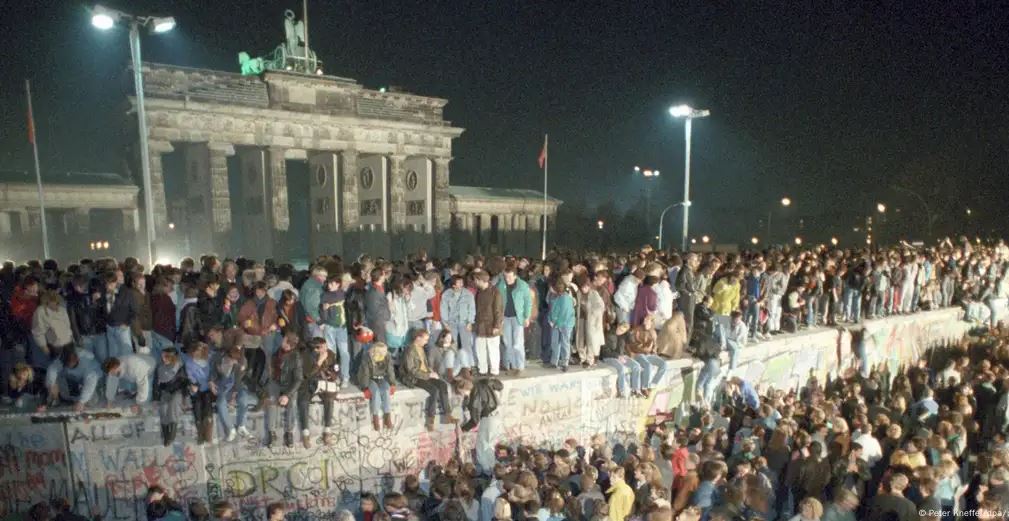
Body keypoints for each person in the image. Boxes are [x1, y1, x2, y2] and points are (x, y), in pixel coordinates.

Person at [401, 329, 456, 431]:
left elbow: (424, 365)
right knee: (433, 390)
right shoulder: (410, 350)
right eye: (425, 339)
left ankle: (447, 415)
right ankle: (430, 420)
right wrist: (429, 375)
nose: (427, 342)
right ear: (418, 338)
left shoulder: (421, 348)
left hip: (424, 374)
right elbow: (411, 370)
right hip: (413, 377)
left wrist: (431, 372)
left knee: (442, 385)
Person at [298, 336, 339, 448]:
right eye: (322, 347)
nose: (326, 349)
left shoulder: (331, 354)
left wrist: (331, 375)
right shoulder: (305, 355)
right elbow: (307, 374)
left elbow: (336, 370)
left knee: (330, 399)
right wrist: (319, 361)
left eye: (326, 346)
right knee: (303, 401)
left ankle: (327, 431)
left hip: (324, 382)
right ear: (316, 349)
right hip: (309, 383)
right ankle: (306, 433)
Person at [456, 377, 504, 474]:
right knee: (489, 446)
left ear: (466, 389)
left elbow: (475, 420)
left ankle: (487, 472)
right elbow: (500, 386)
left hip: (488, 419)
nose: (463, 395)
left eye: (462, 392)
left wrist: (463, 429)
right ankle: (493, 470)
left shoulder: (474, 395)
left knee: (481, 447)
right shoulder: (482, 383)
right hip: (497, 416)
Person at [264, 331, 303, 448]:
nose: (282, 340)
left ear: (289, 345)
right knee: (271, 401)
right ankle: (271, 433)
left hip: (289, 385)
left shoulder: (296, 357)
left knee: (292, 403)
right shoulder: (277, 353)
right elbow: (272, 372)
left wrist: (286, 395)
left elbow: (298, 379)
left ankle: (289, 433)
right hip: (276, 383)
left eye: (284, 339)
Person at [497, 264, 533, 376]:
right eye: (506, 276)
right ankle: (512, 366)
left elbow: (528, 302)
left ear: (515, 276)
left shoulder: (523, 286)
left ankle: (520, 366)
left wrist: (527, 317)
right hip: (505, 317)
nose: (507, 279)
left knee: (518, 343)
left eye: (510, 277)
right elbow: (498, 302)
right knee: (508, 343)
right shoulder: (501, 285)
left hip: (518, 317)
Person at [212, 344, 251, 442]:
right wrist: (211, 382)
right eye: (233, 359)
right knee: (220, 403)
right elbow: (213, 374)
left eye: (237, 360)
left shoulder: (242, 362)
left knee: (243, 399)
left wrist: (234, 395)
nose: (235, 362)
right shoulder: (220, 360)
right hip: (224, 386)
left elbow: (238, 380)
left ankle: (241, 426)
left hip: (238, 386)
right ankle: (230, 428)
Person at [66, 274, 108, 363]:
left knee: (103, 358)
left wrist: (96, 301)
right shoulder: (72, 300)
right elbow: (72, 321)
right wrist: (77, 337)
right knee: (88, 360)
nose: (78, 288)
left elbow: (103, 313)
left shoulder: (98, 294)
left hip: (98, 333)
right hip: (85, 335)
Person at [44, 348, 100, 413]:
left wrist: (81, 402)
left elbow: (90, 385)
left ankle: (81, 401)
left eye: (69, 364)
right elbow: (52, 369)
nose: (67, 365)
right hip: (70, 378)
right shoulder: (62, 359)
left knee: (92, 401)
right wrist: (51, 384)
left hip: (89, 380)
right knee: (54, 384)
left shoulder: (88, 365)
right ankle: (61, 399)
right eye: (66, 363)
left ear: (77, 360)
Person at [320, 273, 351, 389]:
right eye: (328, 283)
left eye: (332, 283)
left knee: (344, 353)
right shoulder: (325, 295)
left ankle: (345, 377)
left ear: (338, 284)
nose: (329, 285)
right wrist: (322, 321)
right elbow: (322, 311)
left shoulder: (343, 293)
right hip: (330, 327)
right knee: (332, 354)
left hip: (342, 327)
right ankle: (333, 376)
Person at [356, 341, 397, 431]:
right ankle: (375, 417)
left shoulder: (387, 356)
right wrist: (365, 387)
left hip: (381, 377)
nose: (385, 353)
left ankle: (387, 416)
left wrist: (392, 383)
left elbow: (390, 370)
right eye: (383, 352)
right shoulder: (367, 357)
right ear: (376, 351)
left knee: (386, 389)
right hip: (368, 378)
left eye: (385, 351)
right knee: (376, 392)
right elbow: (365, 373)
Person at [31, 290, 75, 368]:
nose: (57, 304)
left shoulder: (62, 310)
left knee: (68, 366)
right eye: (55, 302)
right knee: (56, 366)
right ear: (48, 301)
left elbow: (68, 325)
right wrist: (43, 346)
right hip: (55, 346)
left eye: (58, 302)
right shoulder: (40, 311)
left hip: (68, 344)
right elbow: (37, 332)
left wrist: (71, 337)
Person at [183, 341, 215, 445]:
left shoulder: (209, 359)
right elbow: (189, 376)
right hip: (196, 388)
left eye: (198, 352)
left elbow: (213, 372)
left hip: (208, 388)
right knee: (197, 406)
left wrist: (211, 381)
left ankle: (208, 432)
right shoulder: (189, 362)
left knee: (207, 404)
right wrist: (193, 384)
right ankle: (200, 433)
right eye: (194, 352)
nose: (196, 354)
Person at [154, 348, 188, 446]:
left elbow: (184, 382)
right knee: (163, 410)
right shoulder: (160, 367)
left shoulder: (179, 366)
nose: (163, 358)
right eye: (162, 356)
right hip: (165, 391)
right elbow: (156, 384)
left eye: (166, 356)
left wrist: (185, 399)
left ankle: (171, 436)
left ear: (172, 357)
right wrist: (156, 398)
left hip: (177, 391)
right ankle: (166, 436)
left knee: (173, 408)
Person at [473, 271, 503, 377]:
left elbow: (498, 310)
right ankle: (483, 370)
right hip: (480, 324)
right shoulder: (479, 292)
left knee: (493, 349)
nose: (475, 282)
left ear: (481, 280)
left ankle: (494, 371)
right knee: (480, 348)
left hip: (491, 324)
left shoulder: (495, 292)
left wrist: (497, 326)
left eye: (476, 280)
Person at [626, 315, 666, 394]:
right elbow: (632, 345)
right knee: (647, 365)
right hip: (638, 354)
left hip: (648, 355)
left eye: (647, 320)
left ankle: (653, 384)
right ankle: (644, 387)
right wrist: (644, 348)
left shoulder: (653, 332)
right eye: (645, 319)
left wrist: (654, 352)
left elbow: (655, 346)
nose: (645, 321)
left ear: (651, 322)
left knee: (663, 364)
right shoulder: (637, 330)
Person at [441, 275, 476, 363]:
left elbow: (472, 309)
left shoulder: (468, 294)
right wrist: (445, 323)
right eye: (459, 282)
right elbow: (443, 309)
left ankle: (470, 366)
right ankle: (453, 365)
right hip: (451, 323)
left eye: (462, 282)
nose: (461, 284)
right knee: (452, 344)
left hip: (464, 322)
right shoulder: (446, 294)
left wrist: (470, 322)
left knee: (466, 345)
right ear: (453, 285)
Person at [575, 276, 606, 368]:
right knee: (581, 339)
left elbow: (601, 307)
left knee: (591, 341)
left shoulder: (594, 294)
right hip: (581, 319)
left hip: (592, 322)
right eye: (582, 287)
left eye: (586, 287)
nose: (584, 289)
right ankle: (582, 358)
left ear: (589, 286)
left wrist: (591, 311)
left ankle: (590, 360)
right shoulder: (579, 294)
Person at [548, 278, 576, 372]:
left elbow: (564, 313)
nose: (550, 290)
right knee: (555, 342)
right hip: (555, 323)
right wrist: (550, 320)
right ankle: (554, 361)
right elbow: (551, 310)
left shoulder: (565, 298)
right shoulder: (554, 296)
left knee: (565, 342)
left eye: (551, 288)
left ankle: (565, 363)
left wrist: (556, 323)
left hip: (566, 324)